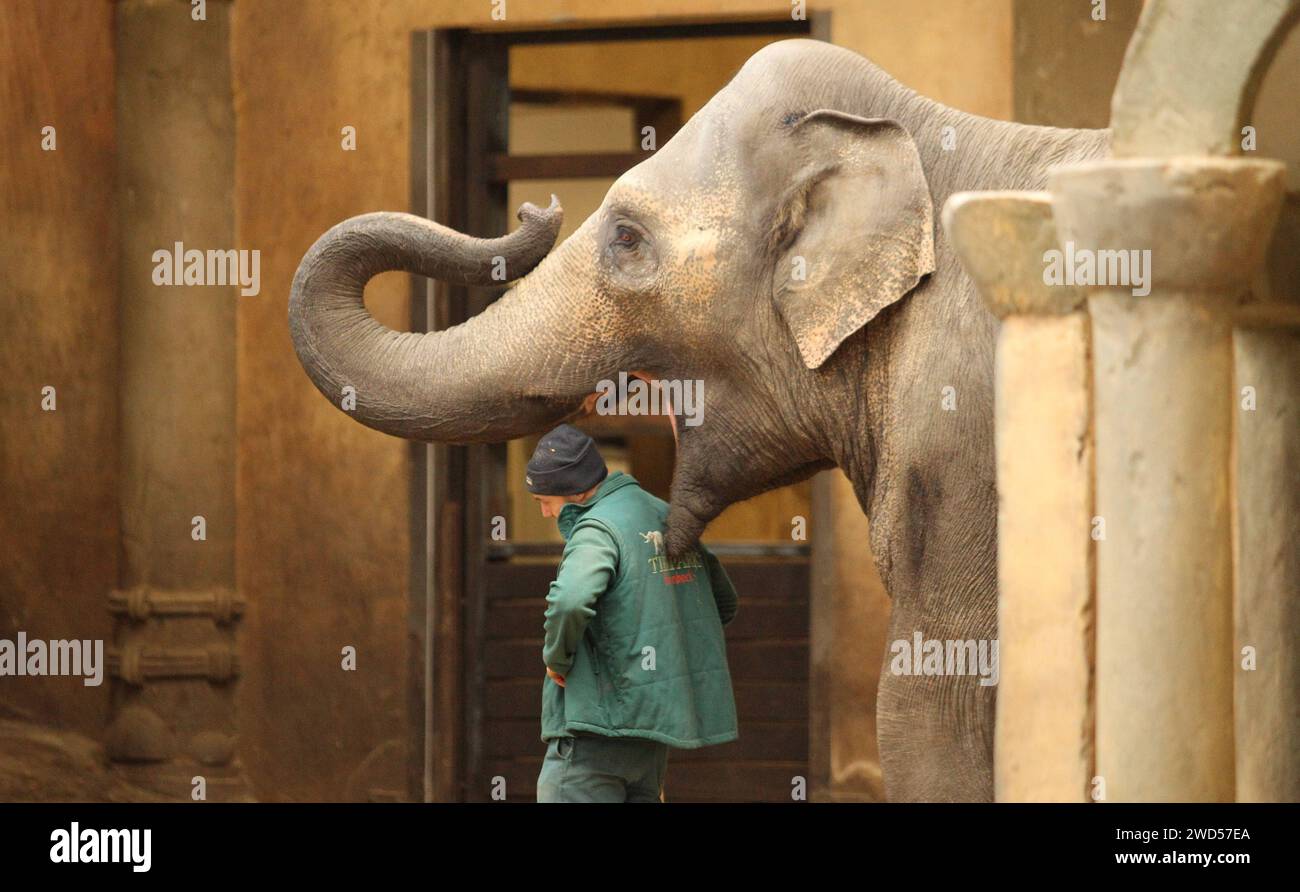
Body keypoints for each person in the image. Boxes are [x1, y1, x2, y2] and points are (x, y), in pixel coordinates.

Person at [527, 423, 739, 803]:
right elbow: (723, 602)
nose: (544, 512)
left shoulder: (597, 529)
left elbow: (571, 600)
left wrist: (556, 659)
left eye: (545, 500)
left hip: (593, 736)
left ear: (573, 492)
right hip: (650, 741)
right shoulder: (666, 515)